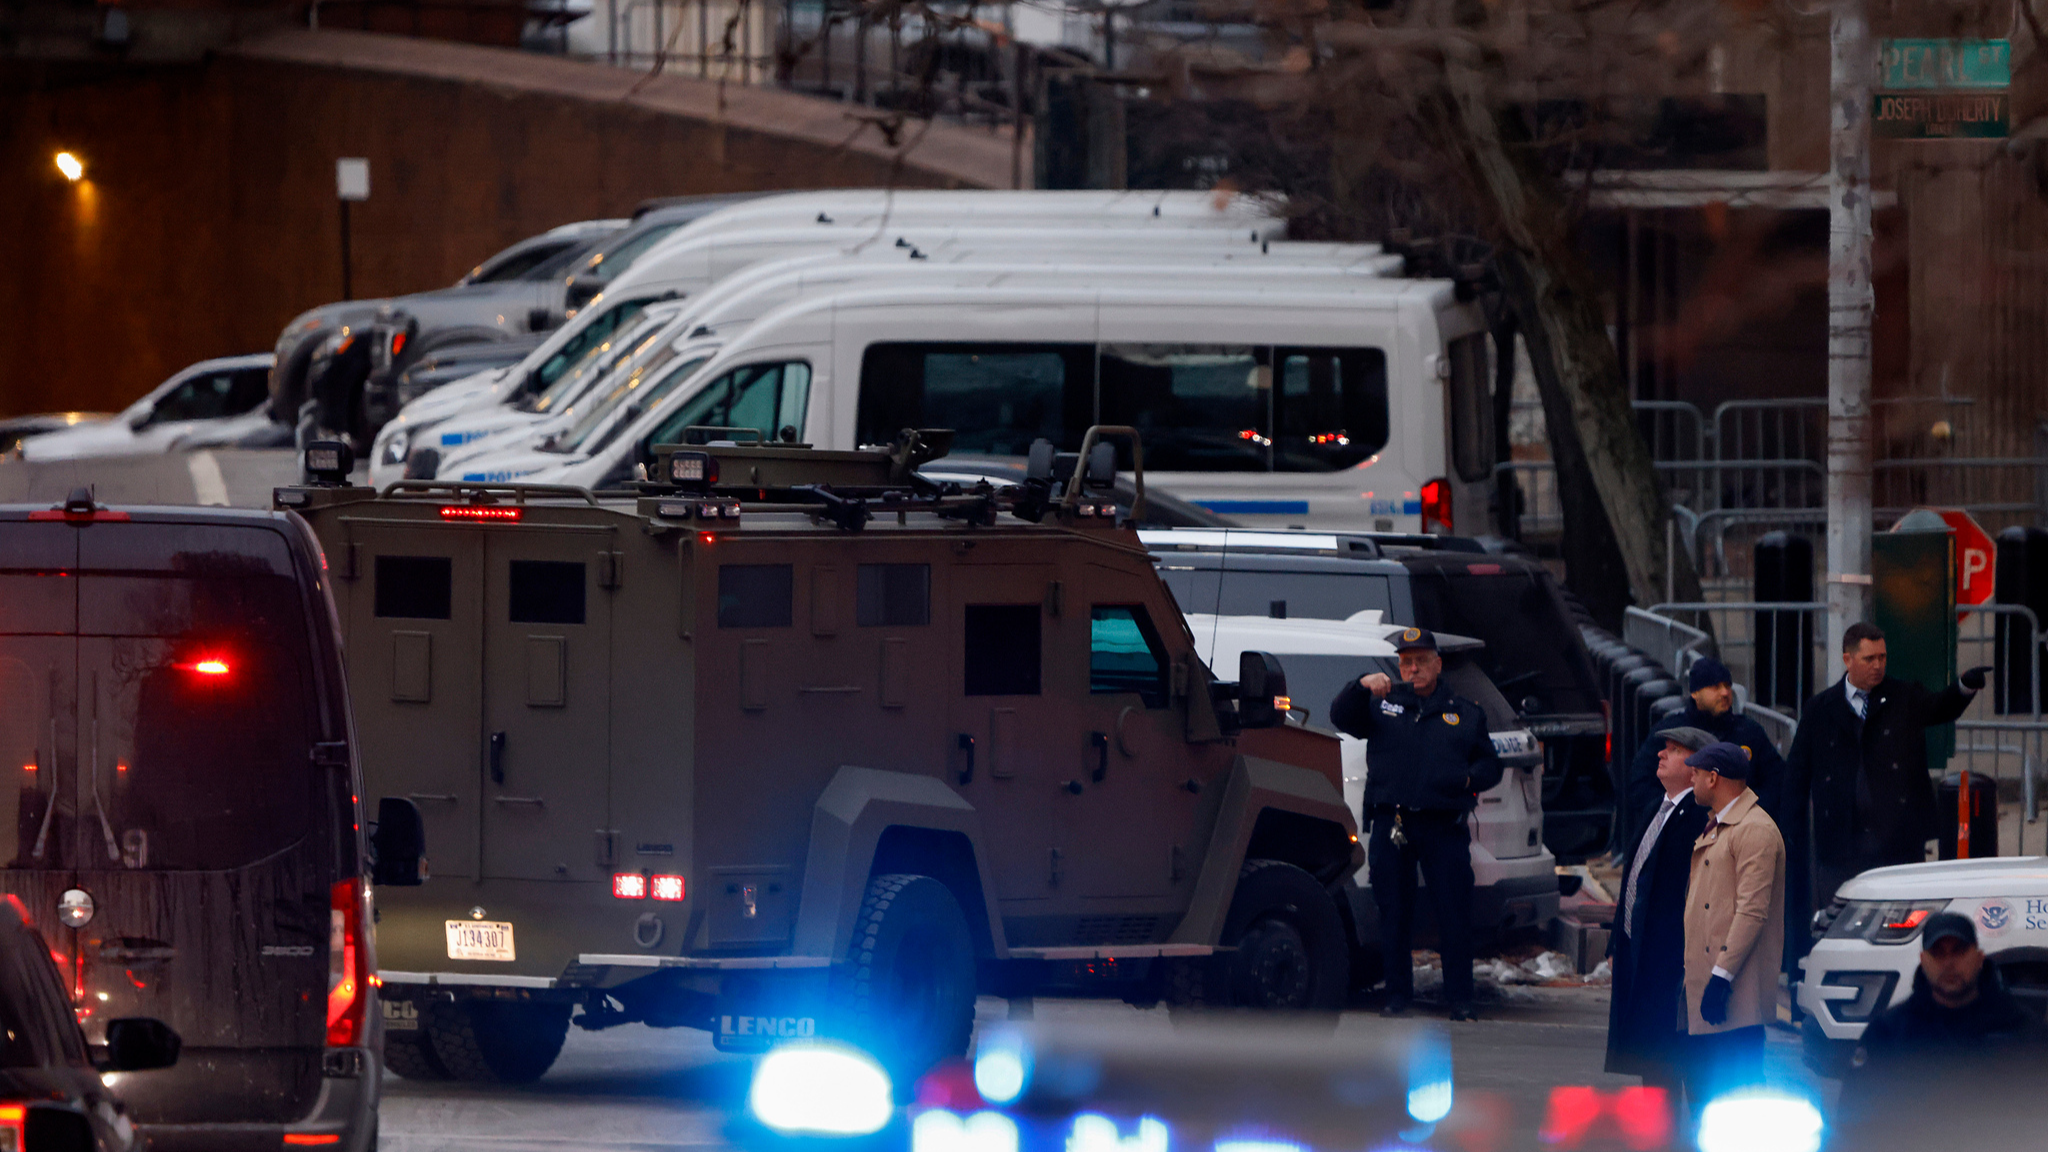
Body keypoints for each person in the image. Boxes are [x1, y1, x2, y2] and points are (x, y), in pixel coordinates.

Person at [1783, 623, 1990, 960]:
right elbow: (1797, 773)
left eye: (1882, 657)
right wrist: (1789, 832)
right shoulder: (1820, 708)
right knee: (1843, 928)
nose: (1878, 665)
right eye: (1869, 658)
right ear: (1848, 659)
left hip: (1895, 838)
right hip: (1842, 840)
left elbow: (1940, 707)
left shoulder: (1902, 696)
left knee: (1900, 928)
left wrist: (1964, 686)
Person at [1330, 627, 1504, 1022]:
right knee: (1393, 913)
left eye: (1422, 661)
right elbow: (1340, 715)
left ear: (1437, 664)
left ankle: (1460, 1000)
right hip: (1393, 823)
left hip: (1443, 826)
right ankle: (1396, 997)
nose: (1414, 669)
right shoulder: (1382, 706)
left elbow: (1490, 764)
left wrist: (1467, 779)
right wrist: (1360, 685)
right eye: (1407, 662)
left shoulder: (1464, 712)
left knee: (1453, 913)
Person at [1836, 912, 2048, 1134]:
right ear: (1923, 960)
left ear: (1979, 958)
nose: (1948, 963)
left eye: (1959, 951)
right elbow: (1853, 1122)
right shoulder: (1888, 1034)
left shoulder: (2022, 1030)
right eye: (1938, 953)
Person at [1605, 725, 1714, 1086]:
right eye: (1664, 747)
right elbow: (1634, 876)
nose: (1661, 754)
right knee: (1649, 1058)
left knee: (1671, 1058)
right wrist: (1616, 940)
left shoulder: (1698, 817)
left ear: (1697, 768)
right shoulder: (1658, 806)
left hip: (1668, 956)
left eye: (1675, 750)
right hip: (1638, 948)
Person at [1679, 741, 1785, 1106]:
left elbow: (1752, 911)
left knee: (1735, 1096)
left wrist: (1721, 979)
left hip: (1734, 992)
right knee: (1705, 1094)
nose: (1691, 779)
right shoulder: (1721, 826)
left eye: (1696, 773)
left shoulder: (1755, 830)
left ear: (1714, 778)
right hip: (1710, 984)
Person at [1623, 656, 1786, 839]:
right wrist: (1675, 816)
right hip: (1683, 836)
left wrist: (1748, 812)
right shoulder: (1672, 732)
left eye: (1727, 686)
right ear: (1695, 693)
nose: (1725, 693)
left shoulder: (1749, 732)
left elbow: (1776, 779)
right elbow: (1641, 781)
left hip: (1741, 833)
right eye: (1715, 687)